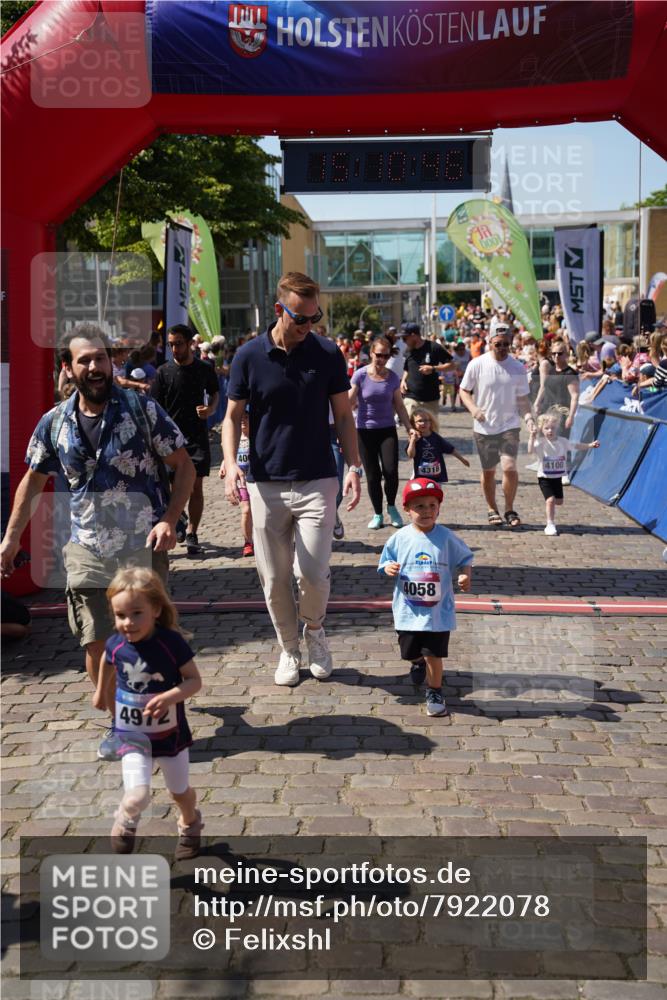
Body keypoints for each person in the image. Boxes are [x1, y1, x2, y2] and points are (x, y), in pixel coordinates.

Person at [0, 323, 195, 759]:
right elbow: (32, 483)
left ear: (112, 363)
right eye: (84, 359)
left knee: (153, 637)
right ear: (68, 368)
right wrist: (10, 539)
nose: (94, 366)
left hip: (142, 546)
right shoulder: (54, 423)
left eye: (101, 358)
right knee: (96, 641)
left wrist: (169, 519)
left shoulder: (142, 409)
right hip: (86, 545)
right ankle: (120, 723)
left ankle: (164, 706)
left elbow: (183, 466)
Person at [222, 272, 362, 687]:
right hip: (266, 482)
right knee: (274, 578)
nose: (309, 326)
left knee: (313, 573)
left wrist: (353, 466)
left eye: (314, 317)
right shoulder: (249, 356)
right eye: (301, 319)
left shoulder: (327, 353)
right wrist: (230, 463)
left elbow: (343, 416)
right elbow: (231, 417)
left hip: (319, 477)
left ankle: (315, 631)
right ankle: (288, 648)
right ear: (279, 310)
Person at [95, 568, 203, 857]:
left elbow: (195, 681)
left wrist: (169, 696)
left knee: (179, 792)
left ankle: (190, 822)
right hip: (131, 735)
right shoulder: (116, 643)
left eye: (136, 614)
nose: (127, 623)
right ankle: (125, 821)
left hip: (170, 735)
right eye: (120, 616)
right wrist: (99, 691)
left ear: (156, 609)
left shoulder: (171, 643)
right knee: (137, 795)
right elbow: (107, 658)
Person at [378, 478, 473, 717]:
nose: (427, 511)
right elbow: (385, 560)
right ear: (407, 510)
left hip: (438, 612)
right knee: (409, 652)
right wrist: (388, 567)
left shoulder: (447, 537)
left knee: (435, 654)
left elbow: (465, 558)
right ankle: (417, 661)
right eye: (419, 506)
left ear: (439, 508)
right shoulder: (400, 538)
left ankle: (435, 690)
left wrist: (464, 576)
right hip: (408, 612)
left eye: (432, 505)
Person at [152, 324, 220, 556]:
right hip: (171, 440)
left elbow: (215, 392)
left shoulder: (203, 369)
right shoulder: (163, 372)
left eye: (178, 343)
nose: (174, 348)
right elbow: (154, 406)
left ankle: (192, 532)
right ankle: (177, 516)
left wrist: (210, 410)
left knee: (196, 486)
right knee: (175, 487)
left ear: (190, 343)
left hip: (196, 435)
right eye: (170, 344)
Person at [459, 325, 536, 528]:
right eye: (498, 344)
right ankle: (492, 508)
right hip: (484, 427)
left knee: (509, 467)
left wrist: (528, 417)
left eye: (505, 344)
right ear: (490, 343)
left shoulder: (518, 367)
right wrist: (474, 409)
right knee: (488, 471)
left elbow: (522, 399)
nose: (502, 348)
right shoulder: (477, 364)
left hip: (509, 425)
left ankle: (509, 508)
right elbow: (464, 391)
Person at [349, 335, 412, 530]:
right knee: (373, 475)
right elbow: (348, 402)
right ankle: (377, 513)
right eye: (379, 355)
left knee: (391, 471)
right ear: (371, 354)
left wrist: (410, 429)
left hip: (387, 430)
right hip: (365, 431)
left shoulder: (392, 377)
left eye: (386, 356)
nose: (382, 359)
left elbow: (399, 406)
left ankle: (391, 507)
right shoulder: (359, 375)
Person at [527, 409, 600, 536]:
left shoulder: (563, 441)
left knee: (559, 501)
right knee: (550, 500)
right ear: (541, 429)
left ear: (557, 429)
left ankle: (551, 506)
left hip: (557, 477)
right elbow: (530, 450)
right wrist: (532, 436)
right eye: (547, 428)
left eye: (553, 428)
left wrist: (589, 445)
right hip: (544, 477)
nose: (550, 431)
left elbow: (576, 445)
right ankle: (550, 524)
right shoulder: (540, 442)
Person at [399, 322, 455, 431]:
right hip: (411, 397)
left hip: (430, 399)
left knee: (431, 433)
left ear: (414, 335)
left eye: (405, 338)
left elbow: (452, 365)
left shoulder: (434, 347)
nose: (403, 341)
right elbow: (407, 368)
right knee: (412, 431)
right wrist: (403, 380)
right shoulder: (408, 350)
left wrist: (434, 368)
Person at [219, 408, 254, 557]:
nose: (243, 421)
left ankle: (262, 539)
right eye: (241, 418)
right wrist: (224, 465)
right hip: (242, 482)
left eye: (246, 418)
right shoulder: (236, 439)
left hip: (258, 481)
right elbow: (229, 456)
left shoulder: (258, 438)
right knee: (246, 510)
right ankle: (248, 542)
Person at [406, 408, 470, 483]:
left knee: (435, 493)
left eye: (426, 420)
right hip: (420, 476)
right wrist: (412, 441)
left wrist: (462, 459)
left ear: (431, 422)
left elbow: (450, 449)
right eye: (420, 421)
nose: (423, 423)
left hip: (436, 476)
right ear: (414, 424)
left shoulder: (436, 438)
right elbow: (410, 455)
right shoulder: (415, 439)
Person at [534, 336, 580, 433]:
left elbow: (575, 396)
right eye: (553, 354)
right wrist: (537, 403)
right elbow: (544, 387)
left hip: (561, 415)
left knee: (559, 444)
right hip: (546, 411)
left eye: (559, 354)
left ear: (566, 355)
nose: (556, 356)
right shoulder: (551, 370)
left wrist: (571, 416)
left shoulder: (569, 374)